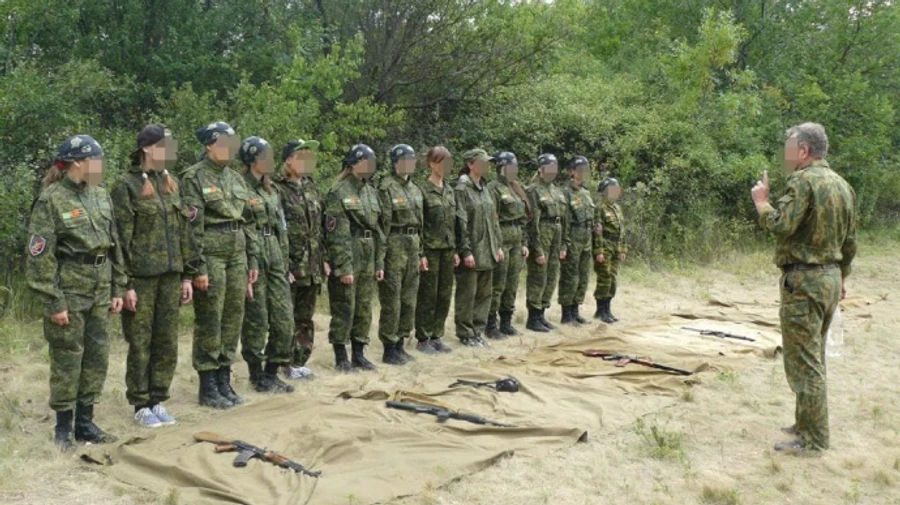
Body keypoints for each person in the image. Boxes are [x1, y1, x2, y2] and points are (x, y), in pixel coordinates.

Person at [751, 122, 857, 454]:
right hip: (827, 279)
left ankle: (813, 441)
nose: (785, 154)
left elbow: (782, 226)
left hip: (804, 282)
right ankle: (804, 423)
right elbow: (850, 242)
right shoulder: (842, 186)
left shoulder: (803, 182)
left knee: (804, 362)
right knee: (813, 357)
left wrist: (762, 203)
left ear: (803, 151)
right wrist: (841, 277)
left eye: (788, 147)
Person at [27, 134, 126, 450]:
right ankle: (63, 429)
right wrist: (54, 300)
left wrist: (117, 287)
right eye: (96, 160)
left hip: (99, 289)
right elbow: (40, 255)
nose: (101, 166)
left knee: (97, 357)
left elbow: (114, 245)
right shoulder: (51, 200)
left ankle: (85, 422)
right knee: (68, 359)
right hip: (69, 292)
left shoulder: (100, 196)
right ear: (78, 162)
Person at [110, 124, 193, 428]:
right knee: (141, 341)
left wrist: (186, 276)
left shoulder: (173, 183)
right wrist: (126, 284)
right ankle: (140, 403)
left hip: (170, 276)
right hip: (142, 279)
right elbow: (119, 240)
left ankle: (158, 399)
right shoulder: (126, 186)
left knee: (167, 341)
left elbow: (184, 232)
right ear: (148, 148)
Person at [181, 121, 260, 409]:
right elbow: (191, 228)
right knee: (210, 319)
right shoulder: (193, 177)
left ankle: (225, 378)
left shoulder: (237, 179)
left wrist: (252, 259)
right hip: (211, 254)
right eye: (224, 143)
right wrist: (197, 267)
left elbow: (248, 221)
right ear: (209, 145)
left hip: (237, 252)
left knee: (233, 317)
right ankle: (208, 385)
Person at [237, 136, 295, 394]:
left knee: (284, 320)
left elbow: (281, 227)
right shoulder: (241, 188)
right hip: (255, 257)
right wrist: (247, 264)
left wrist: (285, 262)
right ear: (252, 159)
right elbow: (242, 229)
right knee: (256, 320)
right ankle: (257, 374)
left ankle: (272, 371)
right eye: (265, 156)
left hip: (275, 257)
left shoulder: (271, 190)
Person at [323, 144, 385, 371]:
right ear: (354, 164)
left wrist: (379, 261)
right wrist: (343, 266)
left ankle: (359, 352)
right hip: (349, 252)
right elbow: (336, 234)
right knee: (344, 306)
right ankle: (341, 355)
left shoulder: (370, 191)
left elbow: (379, 229)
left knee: (364, 305)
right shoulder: (338, 191)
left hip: (368, 253)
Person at [273, 138, 326, 380]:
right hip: (291, 263)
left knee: (305, 317)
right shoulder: (275, 188)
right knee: (286, 316)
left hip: (312, 264)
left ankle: (298, 361)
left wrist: (323, 258)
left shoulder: (312, 188)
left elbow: (320, 229)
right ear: (288, 160)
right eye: (301, 156)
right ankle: (281, 362)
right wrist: (283, 265)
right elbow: (275, 231)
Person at [377, 144, 424, 365]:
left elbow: (421, 223)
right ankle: (389, 347)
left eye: (413, 159)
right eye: (406, 159)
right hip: (394, 244)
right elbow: (382, 226)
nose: (411, 163)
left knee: (409, 298)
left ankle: (401, 342)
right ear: (396, 162)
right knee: (392, 299)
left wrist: (421, 252)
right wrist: (381, 258)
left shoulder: (415, 189)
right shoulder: (386, 187)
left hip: (413, 244)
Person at [454, 149, 504, 346]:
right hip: (473, 251)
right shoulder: (462, 189)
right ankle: (465, 333)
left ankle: (477, 331)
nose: (487, 166)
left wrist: (498, 246)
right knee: (467, 294)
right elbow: (461, 222)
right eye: (482, 162)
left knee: (485, 294)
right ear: (471, 164)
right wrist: (465, 250)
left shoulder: (486, 188)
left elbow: (494, 221)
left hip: (488, 251)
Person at [414, 146, 457, 354]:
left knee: (444, 294)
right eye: (441, 162)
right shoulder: (421, 190)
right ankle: (423, 337)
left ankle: (437, 335)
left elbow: (455, 222)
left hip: (448, 249)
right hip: (430, 249)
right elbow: (419, 224)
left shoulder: (449, 189)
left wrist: (457, 249)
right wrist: (420, 253)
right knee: (428, 295)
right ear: (432, 164)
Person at [486, 151, 529, 338]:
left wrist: (524, 242)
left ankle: (506, 321)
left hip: (516, 240)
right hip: (502, 239)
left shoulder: (515, 189)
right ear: (502, 168)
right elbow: (492, 220)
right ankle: (490, 324)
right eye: (512, 167)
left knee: (512, 283)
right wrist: (496, 245)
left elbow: (522, 218)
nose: (515, 170)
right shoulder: (493, 188)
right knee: (498, 284)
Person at [524, 154, 568, 332]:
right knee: (538, 276)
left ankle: (542, 313)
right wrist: (537, 249)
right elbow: (532, 221)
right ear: (540, 170)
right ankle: (533, 317)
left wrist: (564, 244)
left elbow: (564, 219)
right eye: (548, 168)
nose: (552, 171)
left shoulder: (557, 191)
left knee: (551, 275)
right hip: (542, 233)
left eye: (554, 168)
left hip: (556, 234)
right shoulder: (533, 190)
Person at [558, 156, 596, 326]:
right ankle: (566, 314)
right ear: (572, 171)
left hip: (586, 238)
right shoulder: (565, 192)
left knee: (583, 276)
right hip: (573, 238)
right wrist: (564, 244)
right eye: (580, 169)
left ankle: (575, 310)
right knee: (570, 276)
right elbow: (564, 221)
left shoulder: (586, 192)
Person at [593, 177, 626, 323]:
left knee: (612, 278)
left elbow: (622, 230)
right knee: (604, 278)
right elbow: (597, 231)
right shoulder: (600, 208)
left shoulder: (617, 208)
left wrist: (623, 249)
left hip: (615, 246)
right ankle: (600, 311)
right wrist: (598, 251)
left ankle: (608, 309)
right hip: (605, 245)